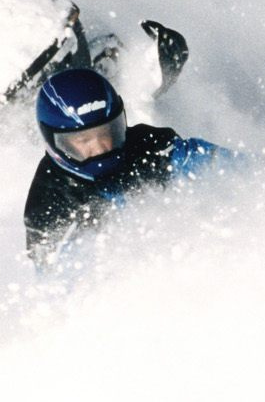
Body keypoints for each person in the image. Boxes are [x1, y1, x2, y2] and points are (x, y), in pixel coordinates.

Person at [24, 67, 232, 267]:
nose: (99, 148)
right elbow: (66, 285)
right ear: (55, 142)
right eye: (83, 140)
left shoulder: (150, 147)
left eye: (106, 133)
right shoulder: (49, 209)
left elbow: (220, 165)